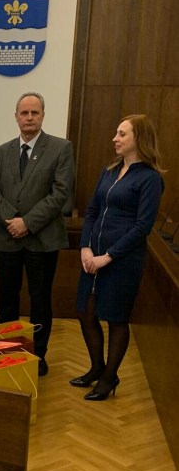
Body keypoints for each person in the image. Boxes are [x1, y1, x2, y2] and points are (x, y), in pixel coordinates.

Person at [71, 114, 165, 401]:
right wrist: (86, 247)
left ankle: (109, 377)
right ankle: (97, 367)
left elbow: (142, 227)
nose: (115, 138)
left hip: (123, 261)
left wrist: (108, 257)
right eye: (116, 133)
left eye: (122, 134)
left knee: (115, 318)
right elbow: (92, 211)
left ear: (140, 138)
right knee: (85, 313)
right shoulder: (109, 171)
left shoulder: (150, 178)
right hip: (93, 257)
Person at [0, 92, 75, 376]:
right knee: (6, 300)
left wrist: (27, 222)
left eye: (35, 113)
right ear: (16, 117)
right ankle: (5, 351)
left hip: (42, 239)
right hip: (7, 237)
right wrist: (12, 220)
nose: (29, 118)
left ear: (43, 116)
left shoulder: (60, 148)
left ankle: (38, 355)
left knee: (40, 300)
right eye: (24, 113)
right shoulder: (1, 151)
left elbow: (60, 194)